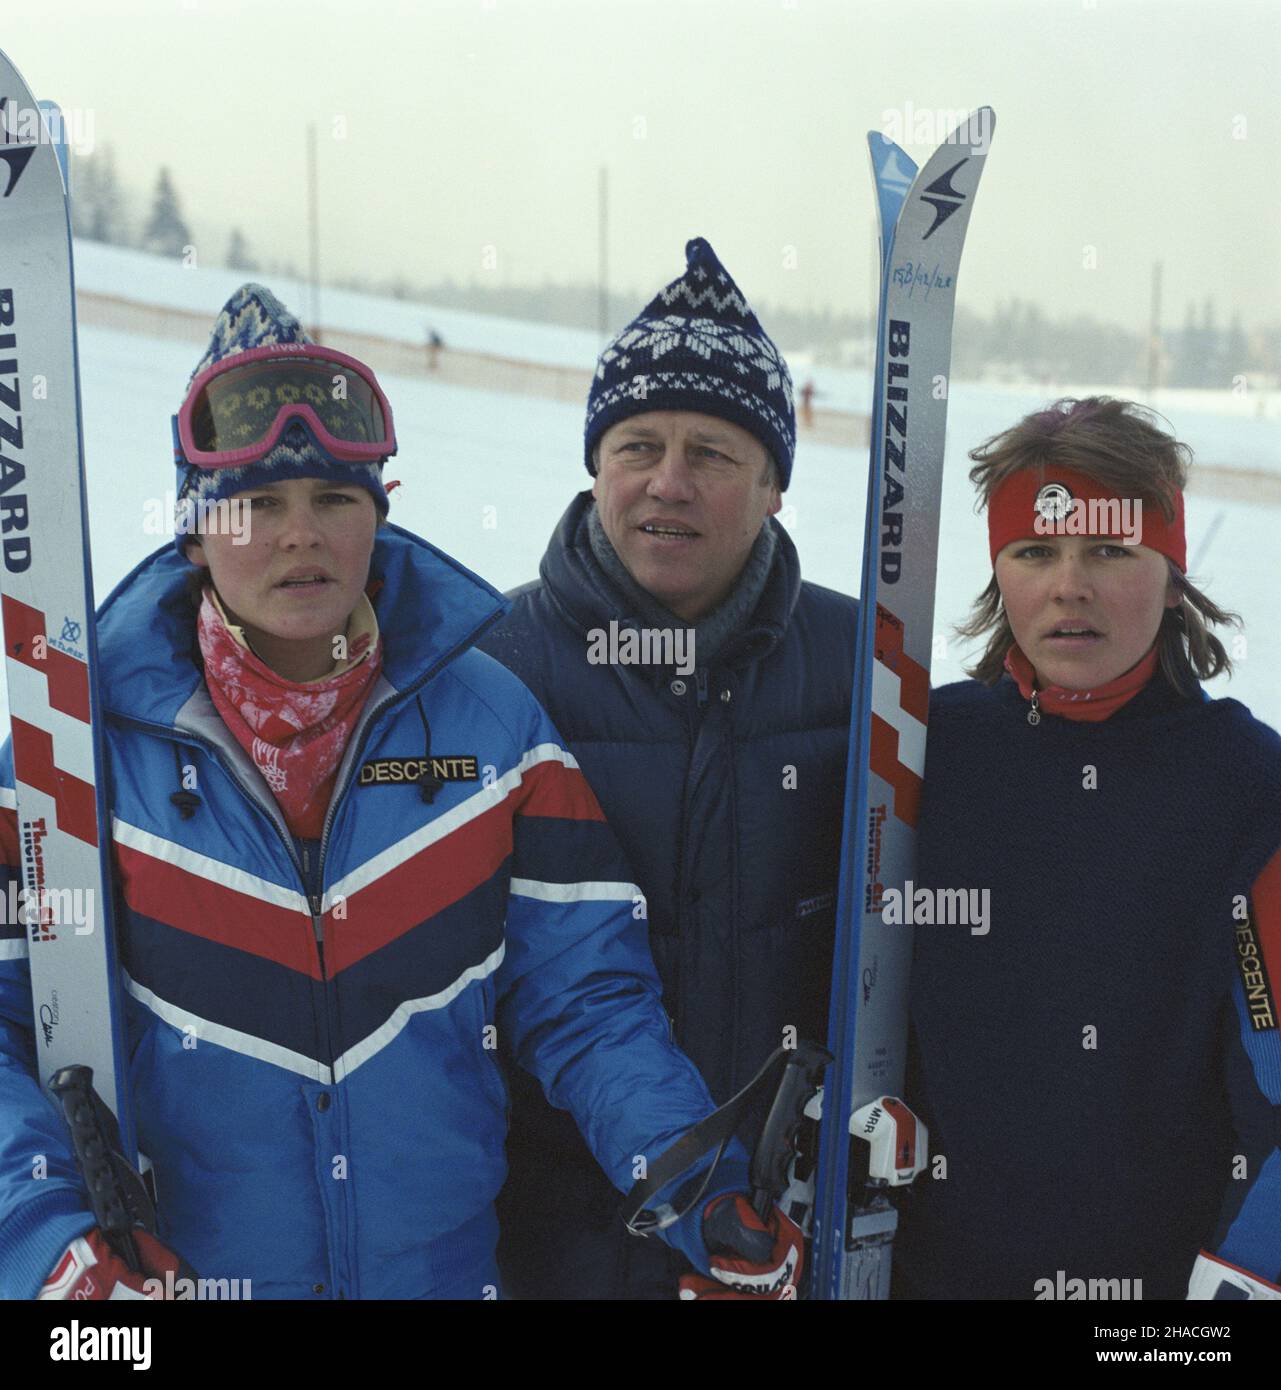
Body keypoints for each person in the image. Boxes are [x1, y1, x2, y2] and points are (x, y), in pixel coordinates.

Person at [0, 284, 801, 1301]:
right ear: (194, 533)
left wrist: (696, 1183)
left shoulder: (495, 733)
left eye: (336, 499)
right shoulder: (72, 758)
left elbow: (589, 1005)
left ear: (377, 516)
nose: (302, 535)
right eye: (256, 505)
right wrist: (42, 1243)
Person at [478, 238, 858, 1299]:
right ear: (597, 465)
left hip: (770, 1233)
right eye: (638, 444)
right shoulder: (493, 669)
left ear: (775, 482)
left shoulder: (861, 669)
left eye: (715, 454)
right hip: (544, 1233)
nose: (668, 483)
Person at [894, 397, 1281, 1301]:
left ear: (1173, 575)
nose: (1070, 585)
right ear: (1000, 578)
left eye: (1110, 551)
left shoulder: (1251, 787)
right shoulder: (913, 756)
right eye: (1035, 553)